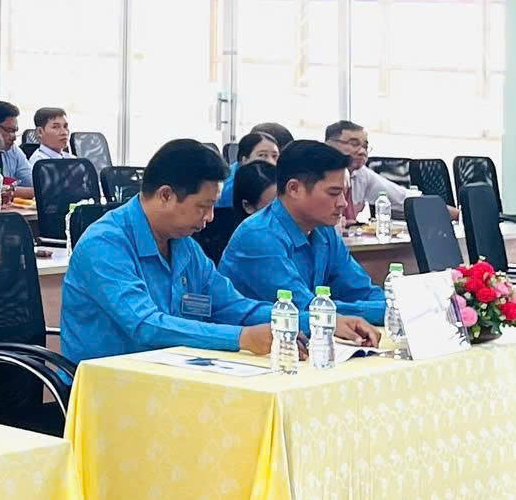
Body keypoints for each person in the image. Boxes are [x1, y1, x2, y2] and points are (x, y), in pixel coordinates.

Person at [63, 139, 378, 361]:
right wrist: (241, 338)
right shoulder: (105, 244)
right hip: (110, 385)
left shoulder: (184, 247)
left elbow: (234, 307)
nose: (211, 218)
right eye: (203, 206)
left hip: (175, 371)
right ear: (165, 196)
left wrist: (316, 321)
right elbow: (145, 325)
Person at [220, 139, 389, 322]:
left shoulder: (325, 231)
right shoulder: (258, 236)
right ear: (294, 189)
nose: (343, 203)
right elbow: (308, 309)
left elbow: (363, 291)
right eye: (333, 193)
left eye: (344, 193)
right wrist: (389, 310)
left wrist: (394, 307)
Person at [323, 120, 415, 221]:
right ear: (329, 145)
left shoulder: (361, 174)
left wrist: (425, 202)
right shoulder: (316, 174)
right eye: (354, 144)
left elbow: (401, 198)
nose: (362, 152)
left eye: (365, 146)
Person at [26, 107, 72, 173]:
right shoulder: (39, 164)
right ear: (40, 132)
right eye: (55, 127)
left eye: (65, 126)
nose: (64, 132)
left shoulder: (71, 159)